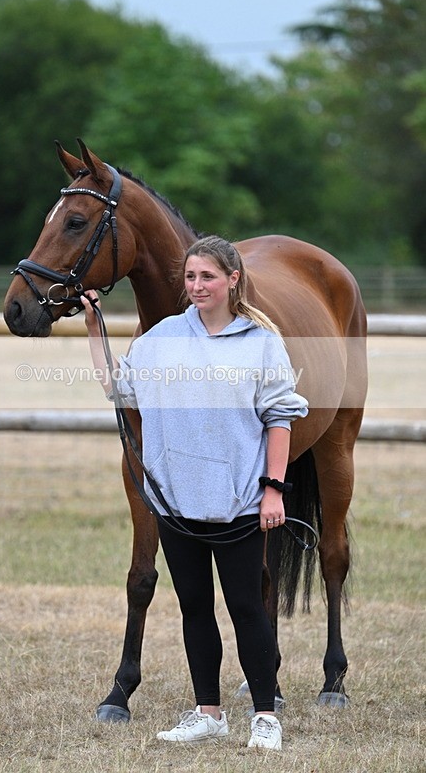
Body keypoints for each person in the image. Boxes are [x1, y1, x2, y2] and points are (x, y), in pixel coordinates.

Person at [81, 236, 308, 750]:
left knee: (247, 609)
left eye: (208, 276)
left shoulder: (261, 342)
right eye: (190, 277)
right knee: (195, 609)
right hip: (175, 503)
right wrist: (95, 328)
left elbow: (280, 418)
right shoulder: (160, 338)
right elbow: (119, 389)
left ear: (232, 280)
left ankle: (265, 715)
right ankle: (208, 711)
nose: (197, 286)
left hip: (239, 503)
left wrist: (273, 490)